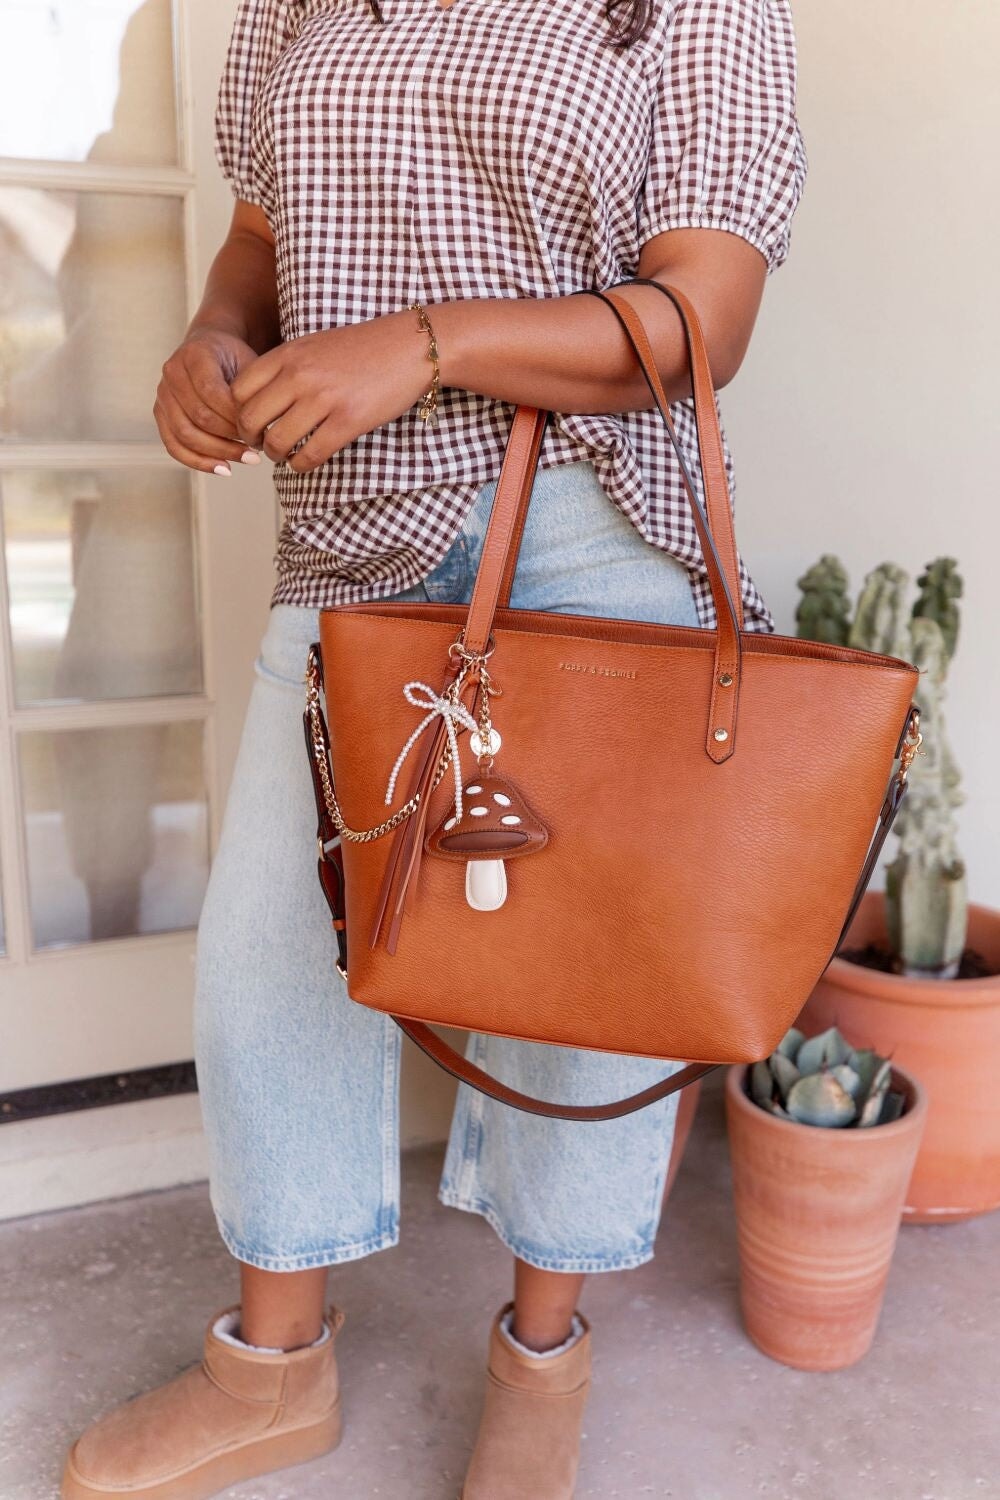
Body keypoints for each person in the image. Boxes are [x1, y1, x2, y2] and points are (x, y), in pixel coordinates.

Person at [61, 0, 806, 1494]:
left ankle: (542, 1364)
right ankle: (274, 1375)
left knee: (579, 989)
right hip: (349, 546)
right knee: (276, 959)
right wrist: (213, 343)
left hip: (592, 543)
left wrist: (424, 348)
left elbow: (700, 320)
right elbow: (259, 250)